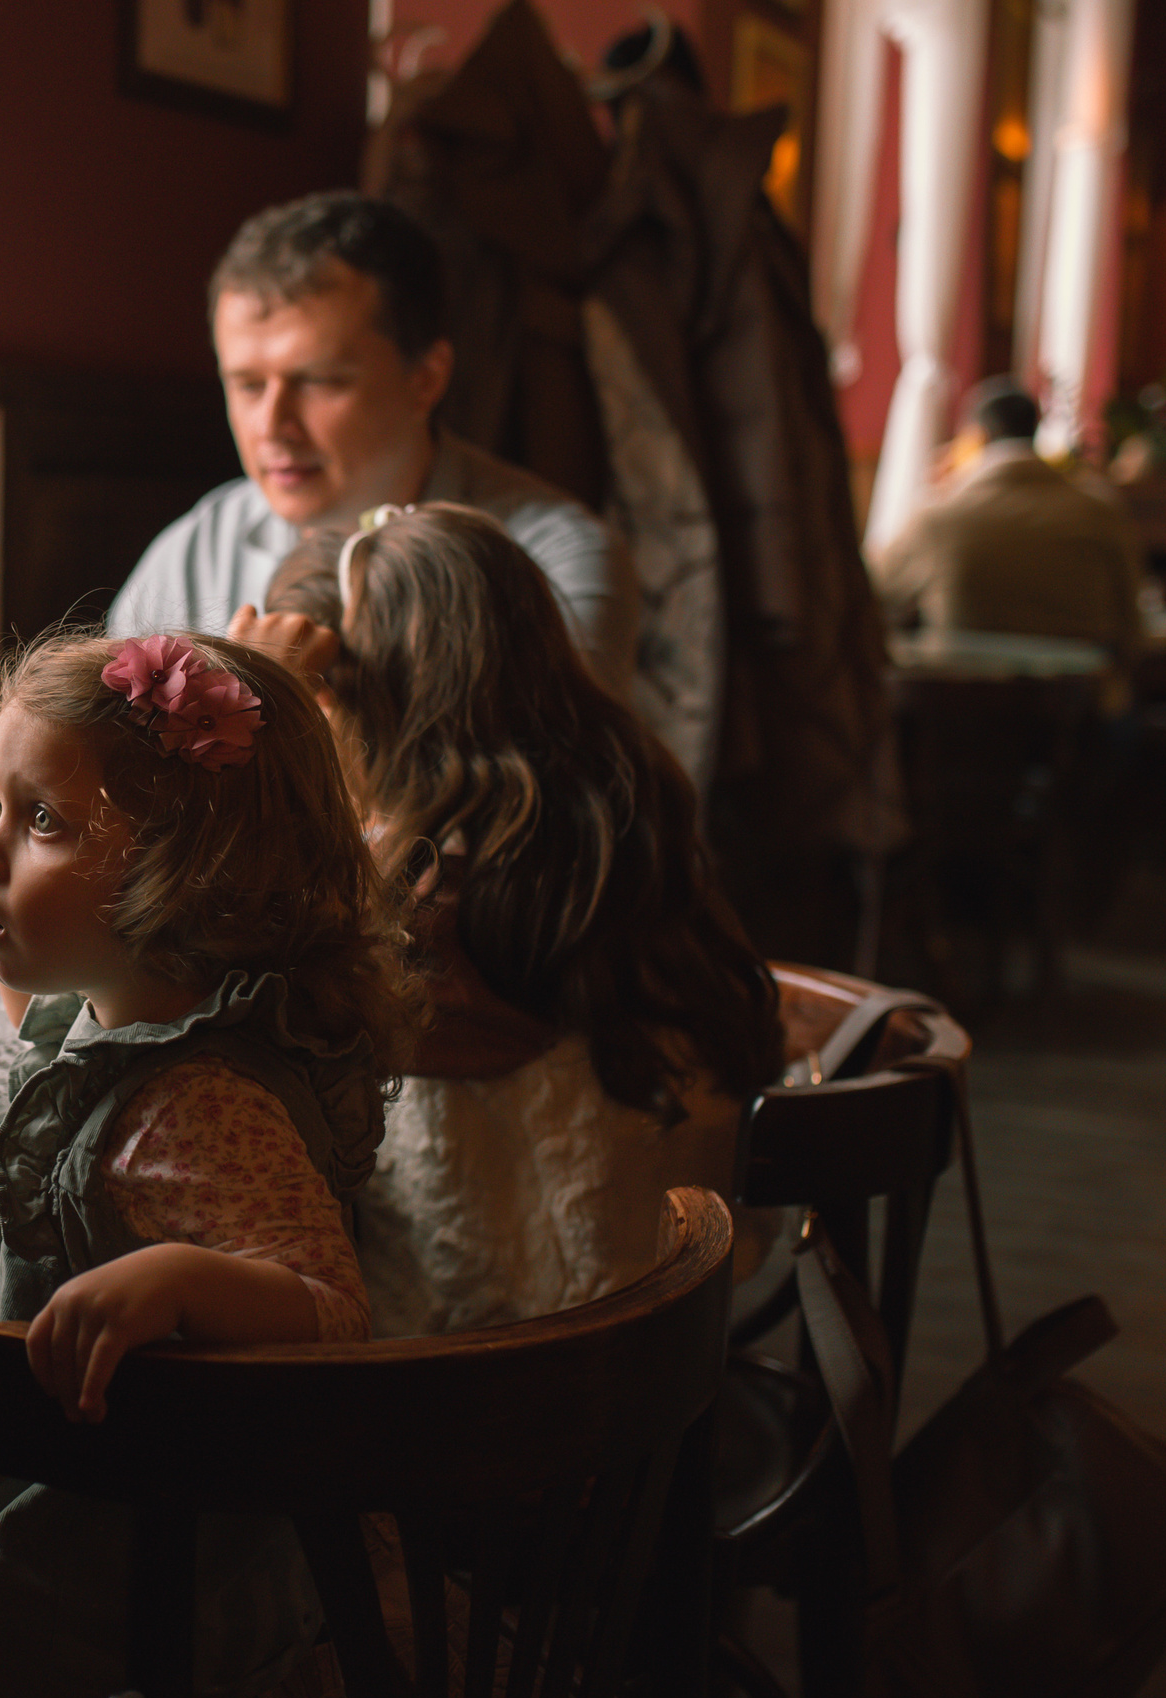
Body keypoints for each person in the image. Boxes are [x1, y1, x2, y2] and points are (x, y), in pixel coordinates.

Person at [0, 633, 415, 1698]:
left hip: (163, 1557)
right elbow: (57, 1032)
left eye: (40, 822)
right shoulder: (147, 1010)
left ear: (188, 877)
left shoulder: (196, 1104)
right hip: (115, 1495)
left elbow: (332, 1310)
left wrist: (176, 1276)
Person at [0, 191, 638, 863]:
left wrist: (267, 716)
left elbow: (507, 838)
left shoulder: (554, 558)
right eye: (246, 384)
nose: (271, 425)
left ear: (426, 378)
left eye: (320, 382)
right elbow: (105, 764)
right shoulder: (198, 546)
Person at [254, 505, 781, 1334]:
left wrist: (251, 725)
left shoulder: (423, 900)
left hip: (491, 1374)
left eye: (316, 700)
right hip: (670, 1328)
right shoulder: (617, 821)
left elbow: (173, 974)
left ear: (355, 697)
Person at [872, 378, 1145, 677]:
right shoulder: (1099, 511)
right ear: (1034, 430)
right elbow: (1130, 624)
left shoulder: (938, 519)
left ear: (975, 437)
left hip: (957, 709)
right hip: (1077, 712)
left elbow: (874, 593)